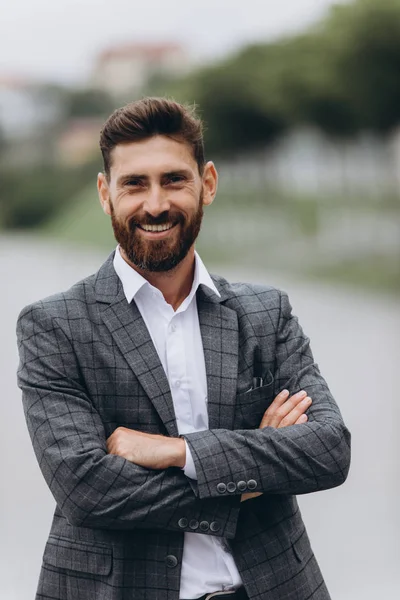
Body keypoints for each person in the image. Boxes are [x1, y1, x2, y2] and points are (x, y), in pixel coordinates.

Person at [16, 97, 351, 600]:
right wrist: (248, 476)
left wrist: (179, 452)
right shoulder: (53, 326)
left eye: (174, 179)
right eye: (135, 183)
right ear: (106, 193)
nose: (155, 204)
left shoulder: (265, 312)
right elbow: (87, 488)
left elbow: (327, 450)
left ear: (207, 184)